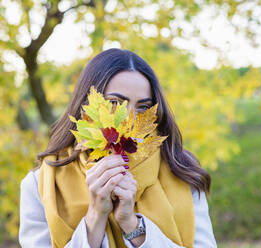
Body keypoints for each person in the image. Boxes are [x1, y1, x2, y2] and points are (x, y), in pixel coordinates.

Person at [18, 48, 217, 248]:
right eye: (115, 103)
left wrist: (133, 226)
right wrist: (95, 217)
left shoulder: (181, 170)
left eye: (143, 107)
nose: (129, 120)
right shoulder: (42, 184)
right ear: (86, 105)